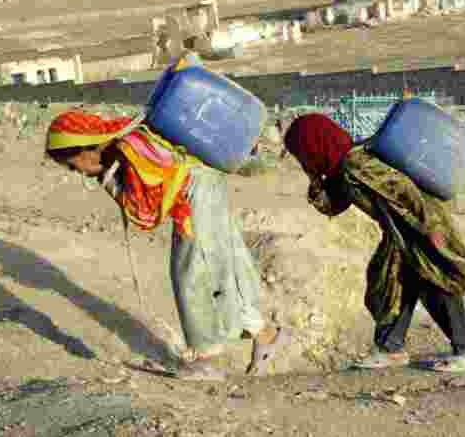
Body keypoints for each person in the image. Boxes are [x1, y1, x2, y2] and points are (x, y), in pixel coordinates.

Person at [44, 109, 288, 381]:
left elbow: (144, 214)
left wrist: (107, 179)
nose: (75, 171)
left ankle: (206, 358)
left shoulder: (130, 149)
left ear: (84, 149)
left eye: (71, 164)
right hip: (204, 188)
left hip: (196, 197)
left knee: (193, 273)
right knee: (221, 268)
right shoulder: (129, 138)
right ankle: (266, 336)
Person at [282, 113, 465, 373]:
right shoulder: (343, 167)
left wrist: (429, 226)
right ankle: (390, 347)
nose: (303, 160)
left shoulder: (357, 165)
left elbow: (403, 190)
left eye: (303, 153)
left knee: (434, 283)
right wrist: (315, 181)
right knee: (390, 283)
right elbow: (333, 206)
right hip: (399, 232)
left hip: (418, 226)